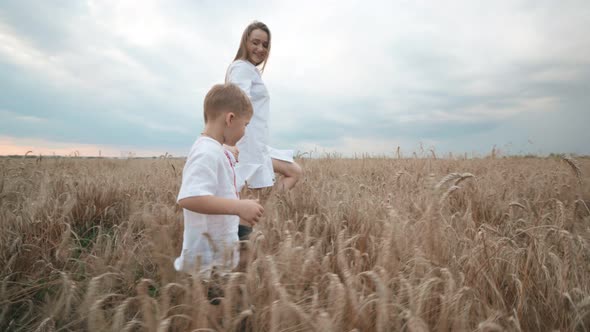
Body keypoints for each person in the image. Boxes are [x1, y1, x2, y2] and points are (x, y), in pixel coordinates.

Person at [174, 83, 264, 279]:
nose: (245, 132)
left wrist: (226, 149)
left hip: (218, 253)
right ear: (230, 119)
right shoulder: (206, 153)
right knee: (218, 305)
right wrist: (238, 207)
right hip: (207, 262)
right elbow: (189, 198)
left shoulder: (213, 149)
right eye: (245, 125)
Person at [225, 21, 303, 240]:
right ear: (245, 42)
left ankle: (257, 217)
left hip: (257, 144)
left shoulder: (250, 70)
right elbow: (238, 100)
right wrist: (231, 142)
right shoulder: (241, 67)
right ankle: (242, 250)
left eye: (265, 44)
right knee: (249, 199)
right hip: (247, 144)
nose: (260, 49)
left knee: (294, 171)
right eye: (255, 42)